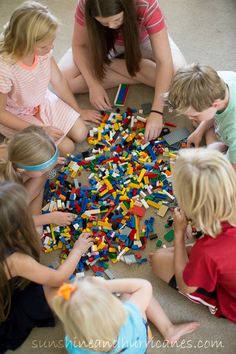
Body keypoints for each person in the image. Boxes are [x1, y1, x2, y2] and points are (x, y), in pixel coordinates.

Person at [59, 0, 186, 141]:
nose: (112, 26)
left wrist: (157, 111)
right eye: (104, 23)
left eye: (117, 19)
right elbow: (79, 45)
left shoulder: (147, 4)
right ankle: (137, 69)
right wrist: (93, 84)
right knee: (63, 81)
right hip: (102, 43)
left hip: (143, 41)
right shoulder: (86, 3)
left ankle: (113, 65)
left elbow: (164, 61)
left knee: (179, 80)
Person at [0, 181, 94, 353]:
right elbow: (59, 278)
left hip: (8, 290)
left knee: (38, 245)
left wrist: (50, 217)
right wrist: (78, 250)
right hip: (6, 318)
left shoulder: (5, 239)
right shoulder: (16, 261)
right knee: (63, 288)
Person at [0, 1, 101, 157]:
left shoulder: (43, 51)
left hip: (41, 100)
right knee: (66, 148)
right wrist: (40, 130)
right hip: (16, 114)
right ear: (24, 43)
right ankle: (15, 144)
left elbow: (58, 80)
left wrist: (78, 110)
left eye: (52, 42)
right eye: (44, 46)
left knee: (81, 133)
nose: (51, 48)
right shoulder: (5, 68)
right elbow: (1, 114)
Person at [150, 148, 236, 323]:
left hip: (230, 300)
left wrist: (179, 234)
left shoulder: (208, 251)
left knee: (158, 260)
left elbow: (186, 286)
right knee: (174, 255)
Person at [47, 277, 199, 353]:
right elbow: (144, 286)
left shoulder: (72, 344)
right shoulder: (130, 315)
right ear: (116, 310)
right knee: (129, 293)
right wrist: (107, 285)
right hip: (139, 343)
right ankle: (168, 329)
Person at [0, 125, 76, 229]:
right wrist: (51, 218)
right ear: (21, 170)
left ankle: (37, 190)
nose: (48, 169)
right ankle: (38, 192)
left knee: (39, 177)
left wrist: (48, 164)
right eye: (43, 168)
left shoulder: (14, 152)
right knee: (37, 232)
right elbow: (11, 221)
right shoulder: (5, 192)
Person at [164, 63, 236, 169]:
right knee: (200, 124)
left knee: (214, 171)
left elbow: (231, 175)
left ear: (215, 104)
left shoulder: (233, 130)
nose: (190, 118)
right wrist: (199, 131)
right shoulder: (218, 82)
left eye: (195, 115)